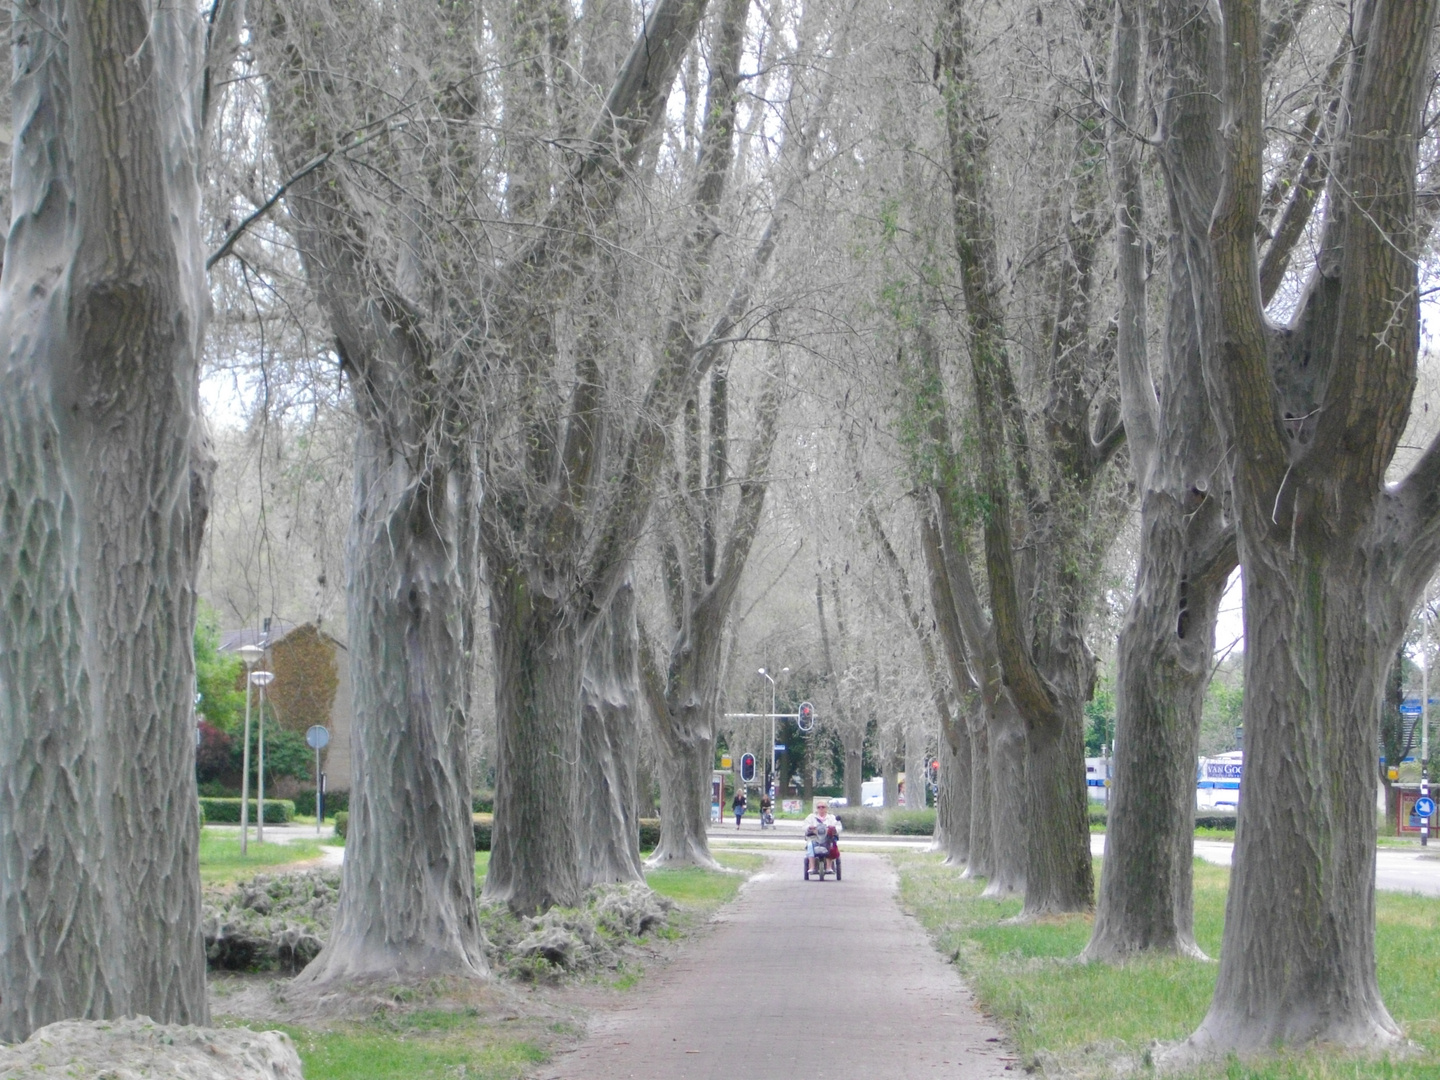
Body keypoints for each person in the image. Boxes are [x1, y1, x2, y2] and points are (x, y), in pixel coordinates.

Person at [804, 800, 842, 873]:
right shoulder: (811, 817)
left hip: (828, 837)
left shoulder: (832, 817)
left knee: (830, 845)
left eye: (823, 807)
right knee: (810, 845)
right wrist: (810, 828)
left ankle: (829, 867)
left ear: (826, 808)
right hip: (814, 837)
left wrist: (833, 829)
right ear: (817, 809)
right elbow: (804, 826)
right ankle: (812, 867)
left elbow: (839, 826)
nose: (821, 809)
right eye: (819, 807)